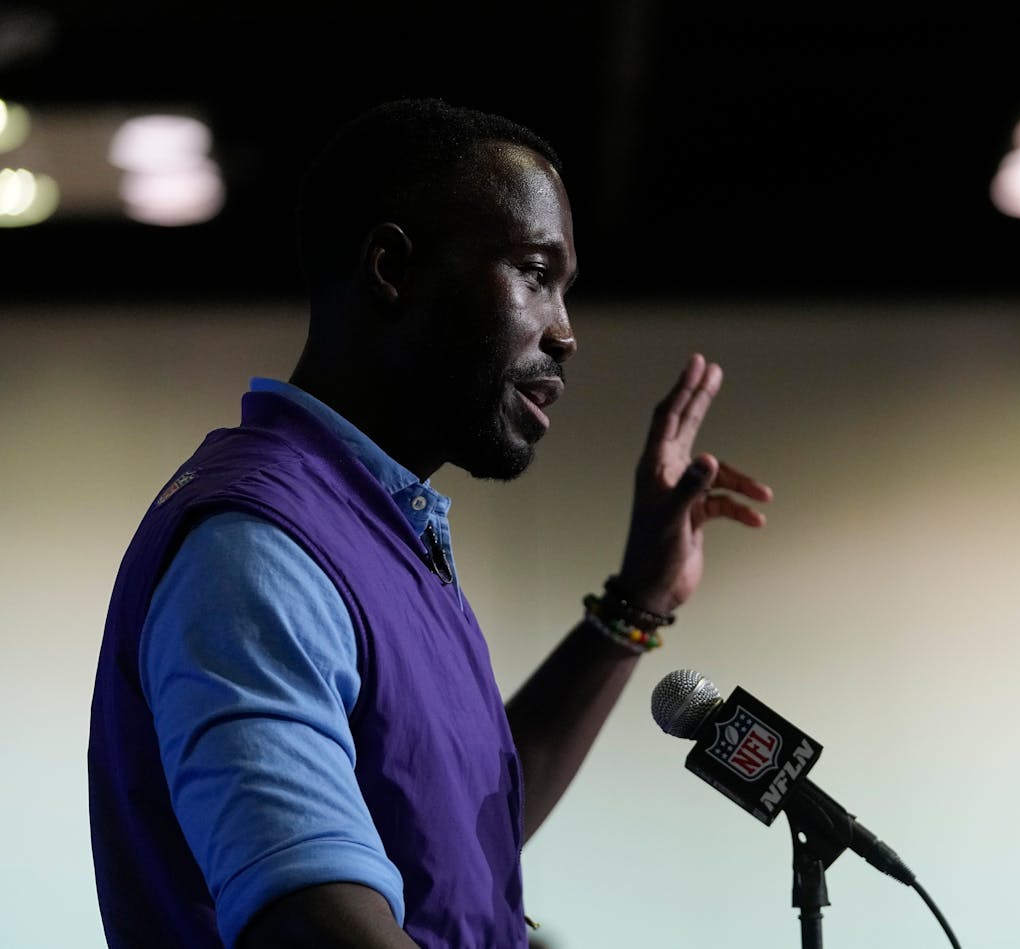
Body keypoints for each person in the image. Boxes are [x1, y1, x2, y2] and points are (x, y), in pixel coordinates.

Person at [87, 97, 772, 948]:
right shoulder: (257, 550)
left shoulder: (368, 526)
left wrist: (639, 601)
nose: (566, 333)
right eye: (533, 272)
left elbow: (450, 840)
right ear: (391, 268)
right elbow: (319, 929)